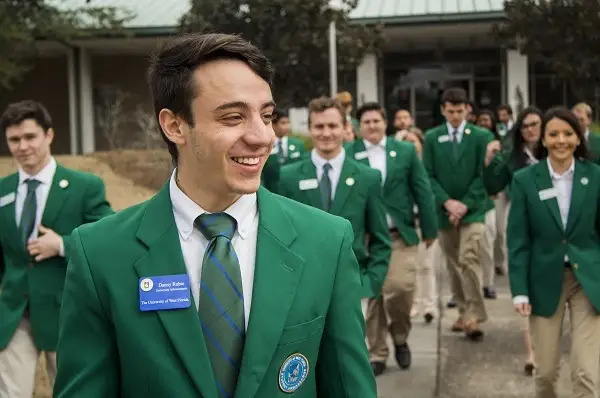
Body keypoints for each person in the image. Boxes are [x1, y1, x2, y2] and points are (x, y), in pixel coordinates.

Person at [54, 33, 376, 398]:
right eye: (234, 117)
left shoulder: (327, 243)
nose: (261, 136)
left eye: (267, 115)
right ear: (174, 126)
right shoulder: (101, 254)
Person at [0, 100, 113, 397]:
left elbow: (108, 239)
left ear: (48, 135)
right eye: (14, 140)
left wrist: (62, 244)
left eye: (29, 137)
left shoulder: (85, 186)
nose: (22, 146)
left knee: (71, 391)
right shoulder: (2, 191)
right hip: (14, 313)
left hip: (67, 311)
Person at [508, 106, 600, 397]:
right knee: (546, 372)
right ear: (543, 140)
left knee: (587, 371)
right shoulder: (524, 180)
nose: (561, 140)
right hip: (544, 280)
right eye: (554, 134)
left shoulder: (595, 176)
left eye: (568, 134)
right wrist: (519, 290)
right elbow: (518, 240)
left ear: (579, 137)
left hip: (588, 280)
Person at [278, 96, 391, 320]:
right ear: (310, 129)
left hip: (352, 287)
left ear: (346, 127)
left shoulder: (368, 178)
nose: (326, 133)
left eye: (333, 126)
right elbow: (281, 236)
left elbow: (381, 239)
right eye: (319, 126)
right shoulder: (289, 176)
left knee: (353, 353)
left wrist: (369, 285)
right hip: (304, 289)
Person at [346, 102, 437, 375]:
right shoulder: (349, 154)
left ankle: (400, 335)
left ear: (385, 122)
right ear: (359, 127)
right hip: (365, 239)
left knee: (399, 289)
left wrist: (430, 228)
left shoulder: (406, 151)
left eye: (376, 120)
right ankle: (377, 352)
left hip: (399, 234)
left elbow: (422, 189)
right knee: (372, 295)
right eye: (366, 122)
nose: (372, 126)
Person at [422, 87, 491, 341]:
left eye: (460, 111)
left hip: (473, 211)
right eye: (450, 111)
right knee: (453, 265)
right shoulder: (432, 137)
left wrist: (464, 204)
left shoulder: (481, 136)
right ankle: (463, 311)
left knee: (468, 258)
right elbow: (427, 175)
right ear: (443, 110)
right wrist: (447, 203)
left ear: (467, 110)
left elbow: (484, 175)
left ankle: (474, 314)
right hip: (444, 211)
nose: (455, 116)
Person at [484, 106, 544, 375]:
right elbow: (492, 184)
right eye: (526, 126)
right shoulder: (514, 157)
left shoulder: (557, 151)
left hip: (555, 232)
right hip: (522, 222)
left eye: (536, 124)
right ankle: (532, 353)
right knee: (527, 288)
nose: (532, 130)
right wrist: (491, 160)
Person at [400, 129, 441, 324]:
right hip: (408, 223)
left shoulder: (427, 166)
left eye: (413, 141)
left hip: (425, 221)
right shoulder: (398, 167)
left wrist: (430, 228)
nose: (409, 145)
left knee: (427, 266)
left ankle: (430, 305)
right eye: (405, 141)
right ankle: (414, 303)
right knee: (412, 268)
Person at [475, 108, 500, 299]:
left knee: (487, 247)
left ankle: (487, 283)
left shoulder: (495, 147)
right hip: (468, 206)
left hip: (487, 204)